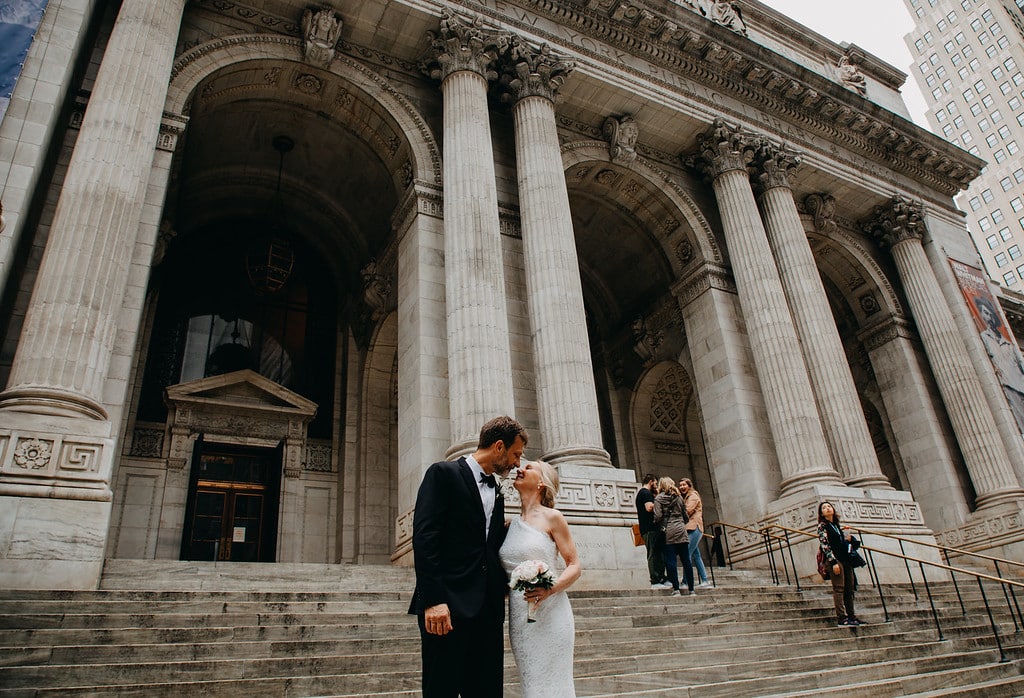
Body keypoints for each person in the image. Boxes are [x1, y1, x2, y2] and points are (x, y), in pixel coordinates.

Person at [408, 416, 528, 697]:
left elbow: (489, 544)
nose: (517, 463)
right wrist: (434, 600)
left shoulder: (497, 491)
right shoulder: (442, 474)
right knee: (442, 690)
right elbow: (425, 539)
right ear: (499, 446)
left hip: (487, 611)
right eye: (515, 454)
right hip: (446, 608)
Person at [500, 460, 582, 697]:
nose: (520, 469)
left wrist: (551, 588)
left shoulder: (553, 517)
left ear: (541, 483)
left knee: (555, 684)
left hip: (551, 612)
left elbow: (574, 565)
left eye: (528, 468)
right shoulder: (508, 525)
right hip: (520, 616)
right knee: (531, 683)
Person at [817, 500, 864, 627]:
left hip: (845, 559)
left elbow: (840, 542)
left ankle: (852, 616)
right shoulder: (822, 526)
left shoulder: (836, 525)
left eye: (829, 506)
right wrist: (833, 562)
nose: (827, 509)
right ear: (821, 513)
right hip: (835, 560)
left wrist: (848, 538)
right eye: (824, 508)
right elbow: (824, 545)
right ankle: (841, 618)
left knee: (849, 588)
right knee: (839, 588)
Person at [653, 477, 693, 597]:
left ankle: (676, 589)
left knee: (670, 561)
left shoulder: (658, 498)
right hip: (681, 530)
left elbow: (658, 516)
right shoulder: (679, 497)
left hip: (668, 532)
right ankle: (691, 590)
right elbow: (686, 516)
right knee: (686, 561)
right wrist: (680, 522)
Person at [635, 473, 669, 589]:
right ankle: (655, 580)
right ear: (651, 481)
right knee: (653, 554)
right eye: (655, 482)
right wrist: (661, 504)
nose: (656, 485)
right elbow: (649, 507)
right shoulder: (645, 493)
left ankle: (661, 577)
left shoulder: (644, 493)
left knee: (658, 553)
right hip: (649, 529)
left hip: (651, 529)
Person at [679, 478, 711, 588]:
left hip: (694, 527)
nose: (682, 487)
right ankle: (705, 580)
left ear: (689, 485)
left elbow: (688, 511)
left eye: (684, 485)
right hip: (691, 528)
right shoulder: (687, 497)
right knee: (696, 555)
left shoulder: (693, 496)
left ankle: (685, 581)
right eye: (680, 485)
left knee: (686, 554)